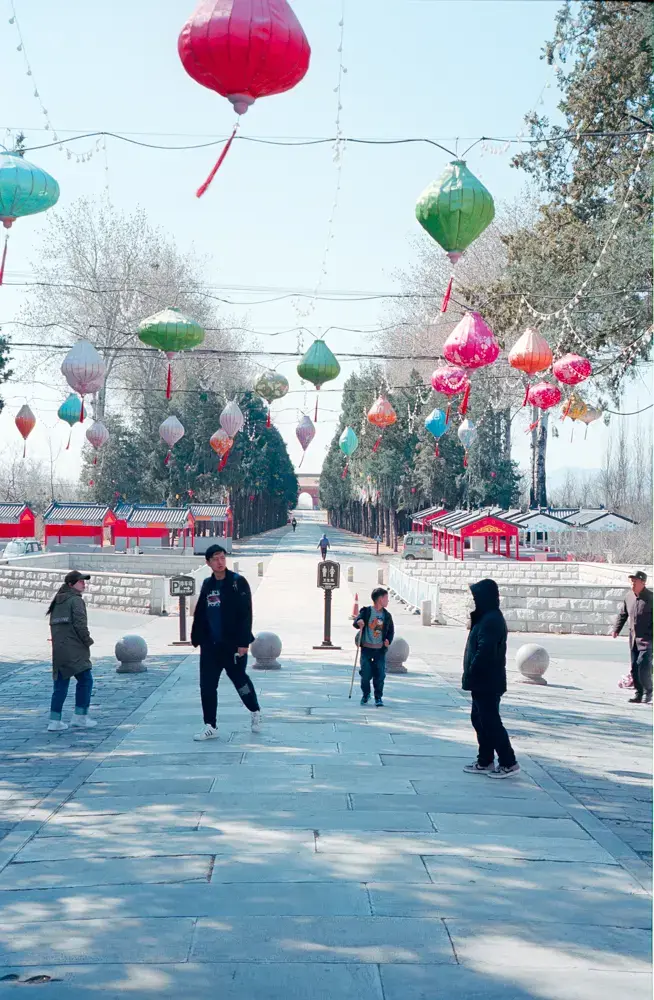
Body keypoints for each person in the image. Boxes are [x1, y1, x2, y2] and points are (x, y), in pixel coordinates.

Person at [190, 544, 261, 739]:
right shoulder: (207, 584)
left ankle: (254, 710)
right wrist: (197, 637)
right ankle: (210, 725)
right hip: (210, 646)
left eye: (222, 557)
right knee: (207, 686)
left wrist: (243, 643)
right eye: (215, 559)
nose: (220, 562)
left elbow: (246, 614)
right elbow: (200, 613)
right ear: (208, 563)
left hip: (233, 645)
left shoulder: (238, 582)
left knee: (240, 682)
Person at [462, 579, 519, 779]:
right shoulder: (485, 617)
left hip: (487, 680)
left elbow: (485, 651)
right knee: (479, 720)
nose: (475, 601)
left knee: (491, 722)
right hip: (481, 681)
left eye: (477, 597)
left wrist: (473, 671)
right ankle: (485, 759)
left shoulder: (492, 619)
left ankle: (508, 762)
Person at [46, 570, 97, 732]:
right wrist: (88, 641)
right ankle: (80, 717)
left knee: (60, 685)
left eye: (83, 581)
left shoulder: (58, 601)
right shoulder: (75, 600)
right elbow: (80, 625)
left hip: (60, 650)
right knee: (85, 680)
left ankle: (54, 721)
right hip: (75, 649)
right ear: (70, 584)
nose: (84, 583)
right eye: (80, 581)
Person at [612, 570, 653, 705]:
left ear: (643, 582)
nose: (632, 583)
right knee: (634, 667)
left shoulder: (651, 598)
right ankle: (638, 693)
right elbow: (623, 614)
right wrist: (616, 629)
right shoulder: (629, 597)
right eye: (631, 581)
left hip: (647, 639)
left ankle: (648, 690)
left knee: (643, 665)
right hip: (633, 638)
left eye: (635, 581)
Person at [353, 587, 394, 707]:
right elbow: (357, 621)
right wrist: (359, 622)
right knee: (365, 674)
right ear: (380, 599)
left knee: (380, 674)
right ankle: (366, 694)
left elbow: (391, 631)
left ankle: (378, 697)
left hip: (380, 650)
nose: (388, 601)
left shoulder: (387, 615)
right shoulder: (366, 611)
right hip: (366, 648)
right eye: (386, 598)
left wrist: (388, 640)